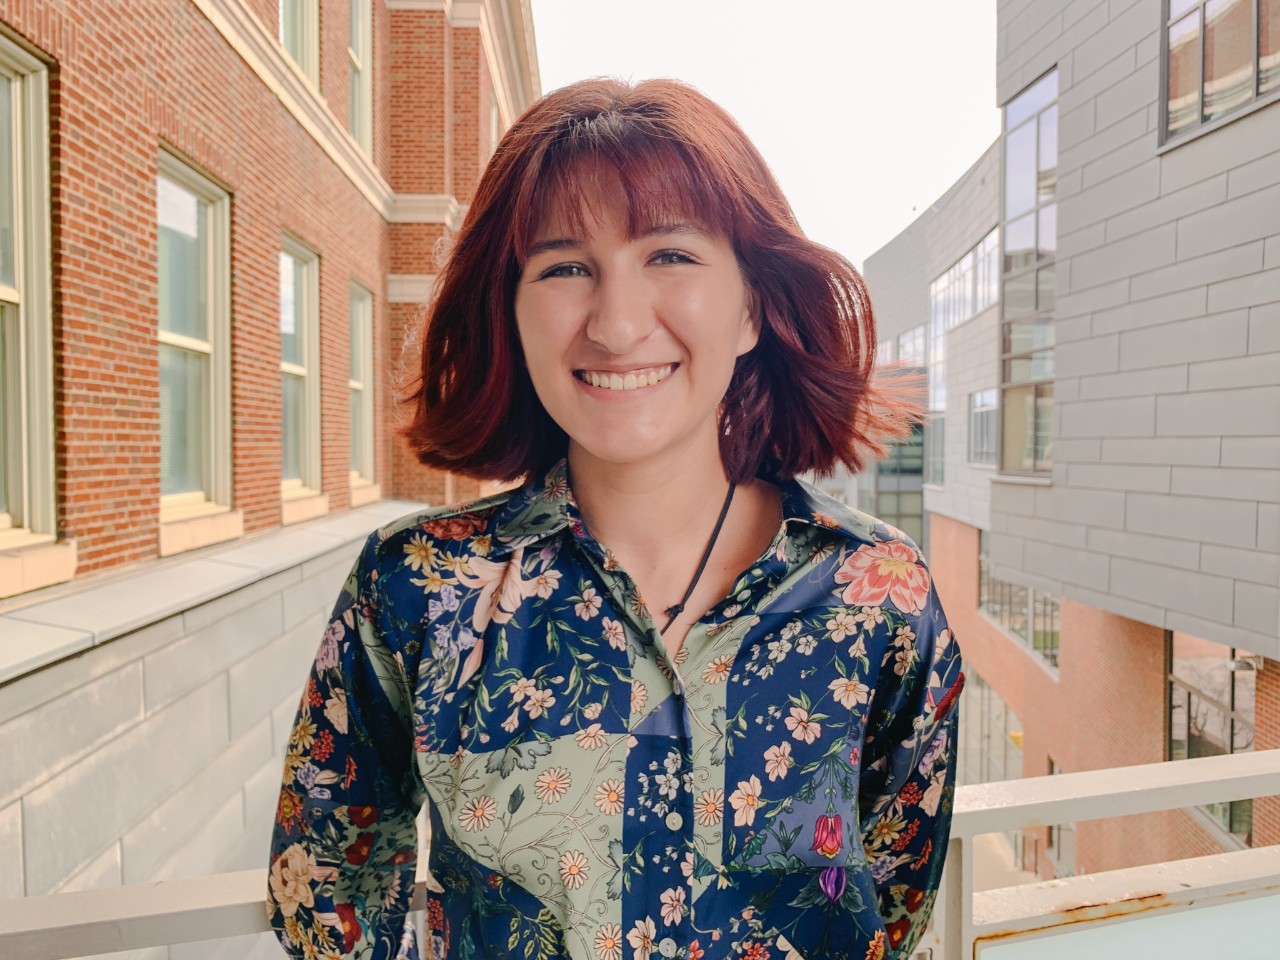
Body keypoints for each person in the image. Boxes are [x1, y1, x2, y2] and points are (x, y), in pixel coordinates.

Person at [267, 77, 964, 960]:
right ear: (511, 314)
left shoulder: (879, 596)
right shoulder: (416, 589)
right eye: (563, 268)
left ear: (751, 305)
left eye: (670, 255)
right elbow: (326, 891)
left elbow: (894, 903)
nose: (618, 322)